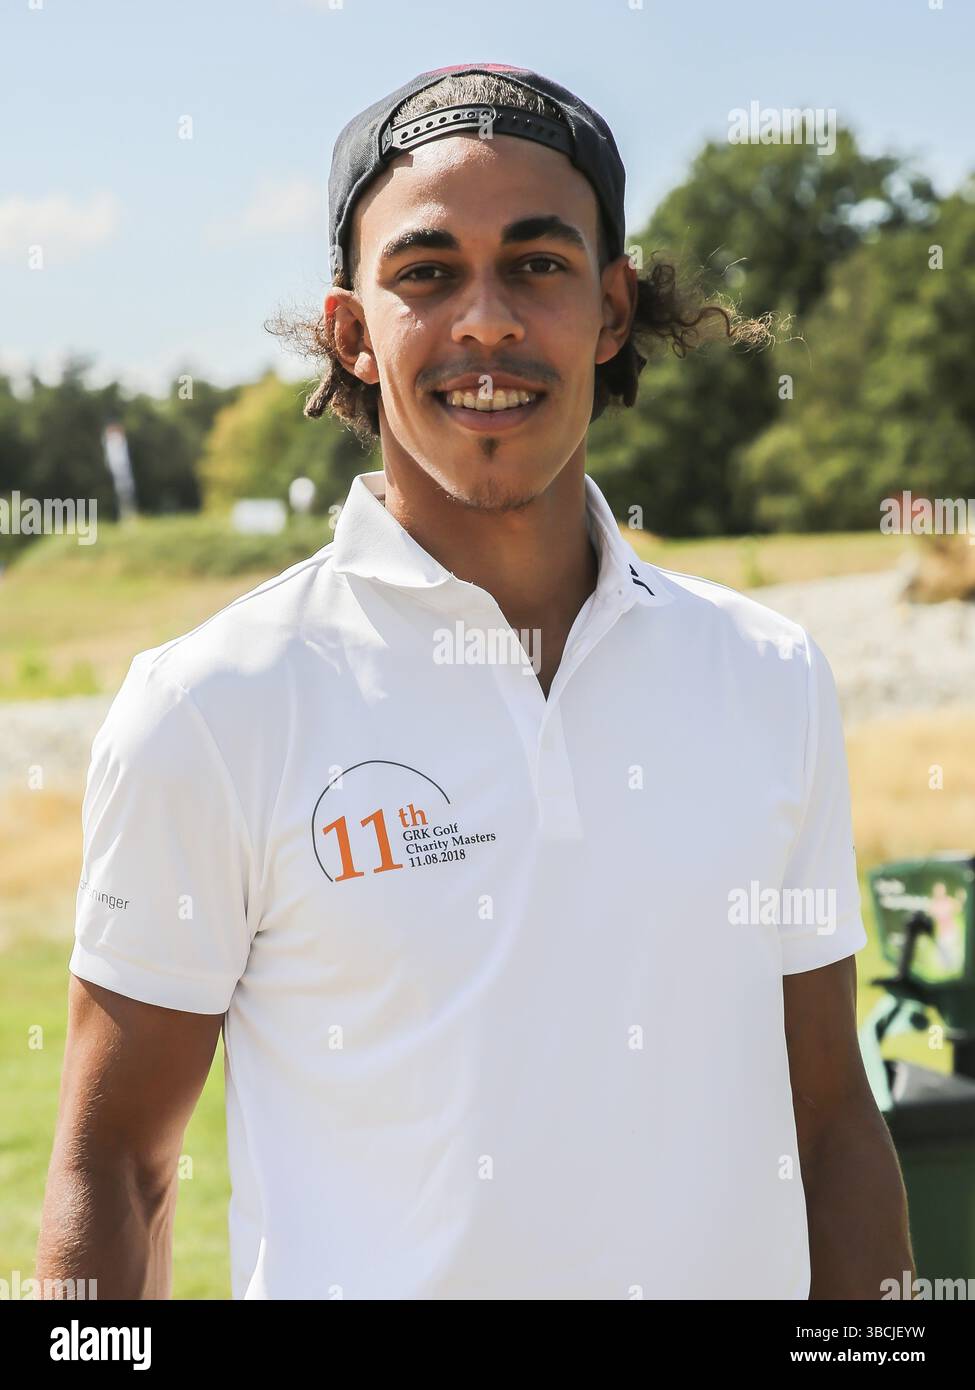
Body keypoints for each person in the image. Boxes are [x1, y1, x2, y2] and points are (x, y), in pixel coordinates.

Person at [37, 62, 913, 1300]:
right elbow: (114, 1169)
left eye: (539, 265)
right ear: (352, 330)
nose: (487, 320)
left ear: (611, 310)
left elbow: (830, 1125)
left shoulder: (767, 675)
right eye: (428, 271)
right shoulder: (212, 703)